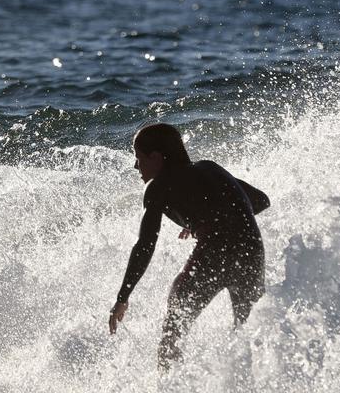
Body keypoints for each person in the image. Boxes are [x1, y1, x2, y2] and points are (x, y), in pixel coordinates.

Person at [108, 122, 270, 370]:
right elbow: (260, 200)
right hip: (251, 251)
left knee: (171, 335)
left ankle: (168, 383)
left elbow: (145, 243)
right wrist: (207, 218)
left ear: (156, 157)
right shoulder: (210, 168)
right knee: (247, 333)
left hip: (214, 254)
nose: (135, 166)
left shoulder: (157, 186)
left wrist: (123, 297)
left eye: (138, 158)